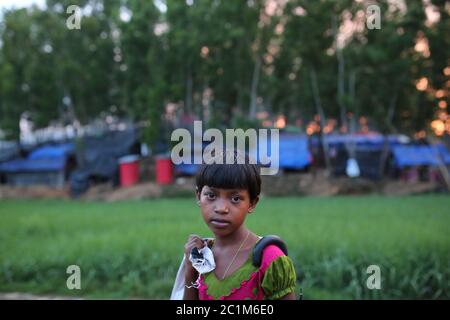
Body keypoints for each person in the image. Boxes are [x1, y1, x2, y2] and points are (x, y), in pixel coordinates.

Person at [182, 150, 297, 300]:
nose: (221, 208)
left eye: (235, 198)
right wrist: (190, 270)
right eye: (211, 195)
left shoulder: (269, 259)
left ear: (252, 203)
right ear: (198, 196)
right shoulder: (202, 256)